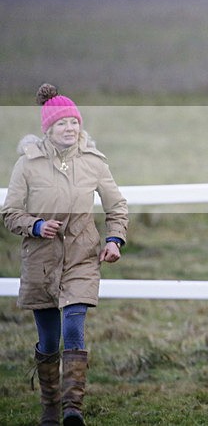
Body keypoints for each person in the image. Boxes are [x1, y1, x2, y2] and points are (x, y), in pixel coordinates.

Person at [2, 84, 128, 426]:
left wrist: (114, 239)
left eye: (74, 122)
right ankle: (50, 409)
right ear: (49, 129)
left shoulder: (94, 163)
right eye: (62, 124)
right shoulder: (27, 166)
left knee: (74, 325)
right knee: (47, 339)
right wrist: (37, 225)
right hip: (40, 262)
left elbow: (116, 205)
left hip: (81, 257)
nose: (70, 129)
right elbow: (10, 212)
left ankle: (73, 410)